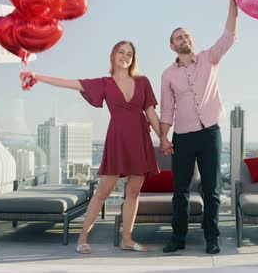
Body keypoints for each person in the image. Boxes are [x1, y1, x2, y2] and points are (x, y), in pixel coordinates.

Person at [22, 41, 162, 254]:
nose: (125, 56)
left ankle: (127, 239)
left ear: (133, 59)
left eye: (129, 54)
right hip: (118, 140)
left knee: (133, 192)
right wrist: (37, 76)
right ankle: (83, 238)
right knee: (102, 192)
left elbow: (151, 113)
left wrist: (164, 138)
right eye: (121, 52)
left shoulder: (143, 82)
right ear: (113, 55)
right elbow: (69, 83)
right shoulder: (104, 83)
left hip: (139, 140)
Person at [159, 0, 238, 254]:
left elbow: (229, 35)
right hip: (182, 136)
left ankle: (212, 239)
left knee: (211, 190)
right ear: (172, 46)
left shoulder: (209, 58)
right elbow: (166, 109)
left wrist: (232, 1)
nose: (185, 39)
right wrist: (163, 138)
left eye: (187, 36)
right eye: (179, 37)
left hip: (210, 134)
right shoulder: (167, 75)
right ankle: (177, 239)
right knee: (180, 192)